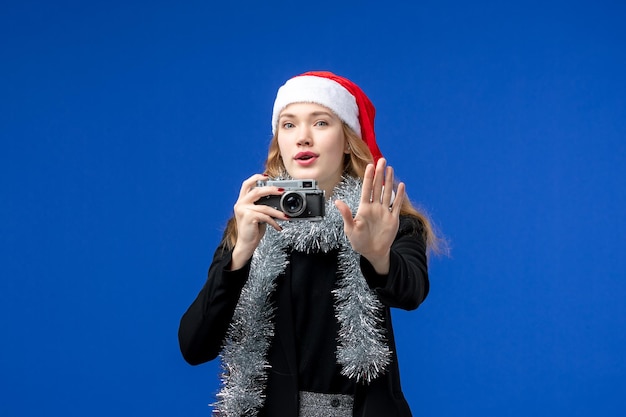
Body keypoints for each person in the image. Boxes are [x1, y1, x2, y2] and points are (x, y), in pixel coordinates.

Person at [178, 71, 438, 417]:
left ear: (347, 140)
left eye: (320, 123)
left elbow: (411, 292)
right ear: (279, 143)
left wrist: (377, 256)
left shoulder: (387, 220)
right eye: (289, 125)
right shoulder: (254, 221)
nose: (302, 138)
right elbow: (194, 346)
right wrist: (240, 254)